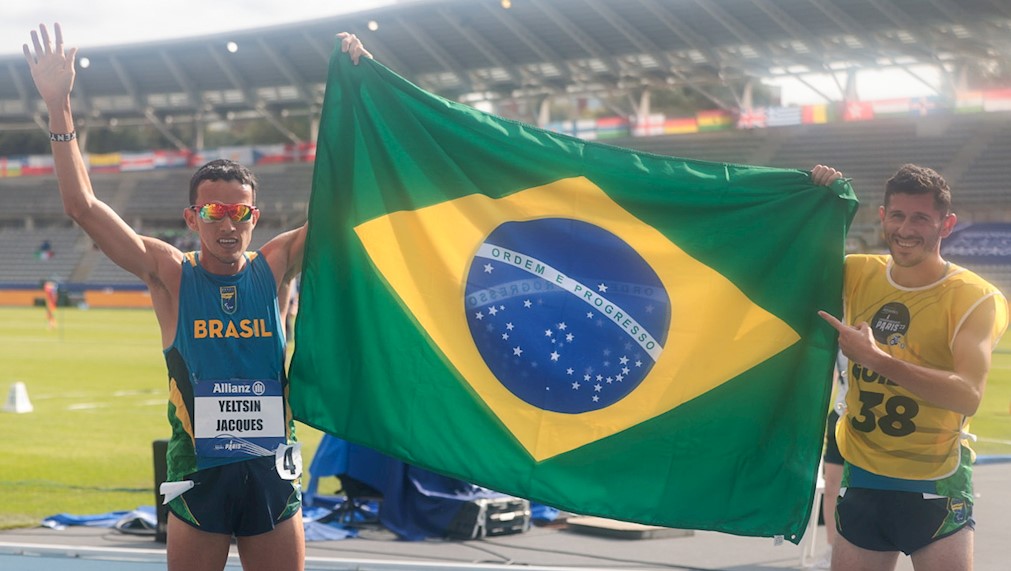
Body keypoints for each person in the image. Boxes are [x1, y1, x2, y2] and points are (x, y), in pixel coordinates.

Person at [23, 23, 372, 571]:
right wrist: (59, 104)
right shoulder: (169, 273)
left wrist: (357, 96)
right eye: (213, 212)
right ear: (193, 218)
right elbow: (83, 208)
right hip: (197, 476)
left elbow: (344, 204)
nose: (227, 225)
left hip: (270, 476)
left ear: (254, 217)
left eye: (239, 213)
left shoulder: (276, 266)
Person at [811, 163, 1009, 571]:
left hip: (936, 484)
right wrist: (816, 199)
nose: (906, 228)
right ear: (882, 216)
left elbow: (968, 395)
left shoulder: (976, 297)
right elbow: (789, 257)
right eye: (897, 215)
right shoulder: (856, 272)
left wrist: (877, 360)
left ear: (946, 224)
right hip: (862, 478)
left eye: (921, 218)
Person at [814, 352, 847, 569]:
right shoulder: (839, 323)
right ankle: (832, 547)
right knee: (832, 486)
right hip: (840, 412)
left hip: (874, 417)